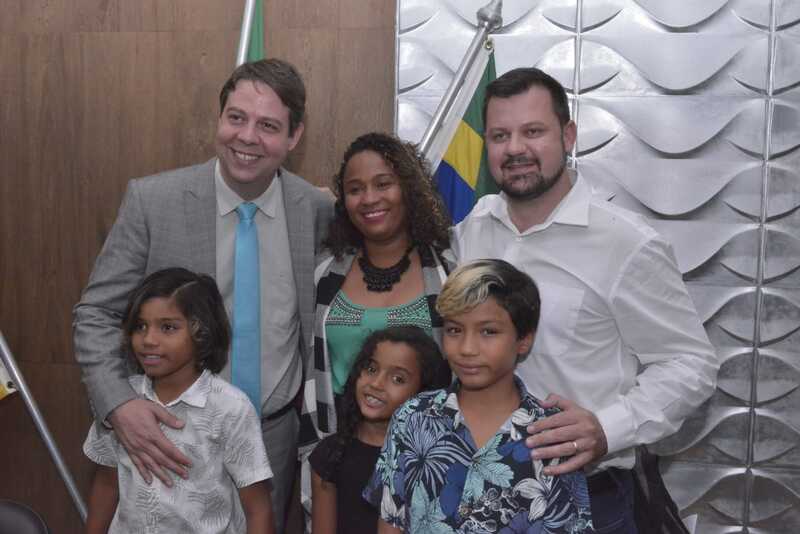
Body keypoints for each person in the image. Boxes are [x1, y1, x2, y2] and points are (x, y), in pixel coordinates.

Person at [74, 58, 334, 532]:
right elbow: (96, 313)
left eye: (268, 126)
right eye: (236, 117)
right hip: (165, 434)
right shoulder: (153, 201)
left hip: (273, 435)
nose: (247, 137)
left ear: (294, 136)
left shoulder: (316, 210)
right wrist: (119, 405)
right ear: (220, 119)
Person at [453, 67, 719, 532]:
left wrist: (607, 427)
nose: (515, 149)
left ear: (568, 136)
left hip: (586, 498)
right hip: (478, 494)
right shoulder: (473, 229)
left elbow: (691, 364)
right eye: (500, 135)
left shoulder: (625, 242)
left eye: (533, 131)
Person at [365, 259, 594, 533]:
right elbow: (391, 518)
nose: (467, 348)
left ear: (524, 339)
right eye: (454, 330)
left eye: (488, 332)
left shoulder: (553, 435)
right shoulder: (412, 417)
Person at [83, 268, 275, 534]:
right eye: (140, 326)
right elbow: (106, 484)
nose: (148, 340)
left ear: (202, 333)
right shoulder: (120, 401)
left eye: (168, 327)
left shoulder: (230, 408)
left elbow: (258, 508)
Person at [304, 132, 454, 440]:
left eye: (383, 184)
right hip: (338, 443)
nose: (369, 198)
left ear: (409, 189)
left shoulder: (448, 272)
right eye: (355, 189)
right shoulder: (323, 273)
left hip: (428, 446)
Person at [309, 325, 451, 534]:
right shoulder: (330, 454)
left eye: (398, 379)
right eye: (371, 369)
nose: (376, 383)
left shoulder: (433, 459)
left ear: (424, 392)